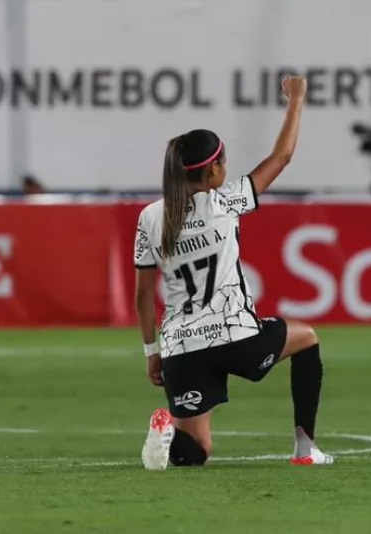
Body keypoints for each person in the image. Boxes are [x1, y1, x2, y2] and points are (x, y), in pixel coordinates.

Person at [135, 76, 332, 469]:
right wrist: (296, 100)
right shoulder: (225, 202)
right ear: (212, 172)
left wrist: (151, 352)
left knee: (197, 452)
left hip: (181, 348)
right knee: (307, 339)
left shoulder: (150, 217)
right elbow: (281, 157)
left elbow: (143, 295)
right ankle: (304, 448)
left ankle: (167, 434)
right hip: (236, 337)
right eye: (223, 162)